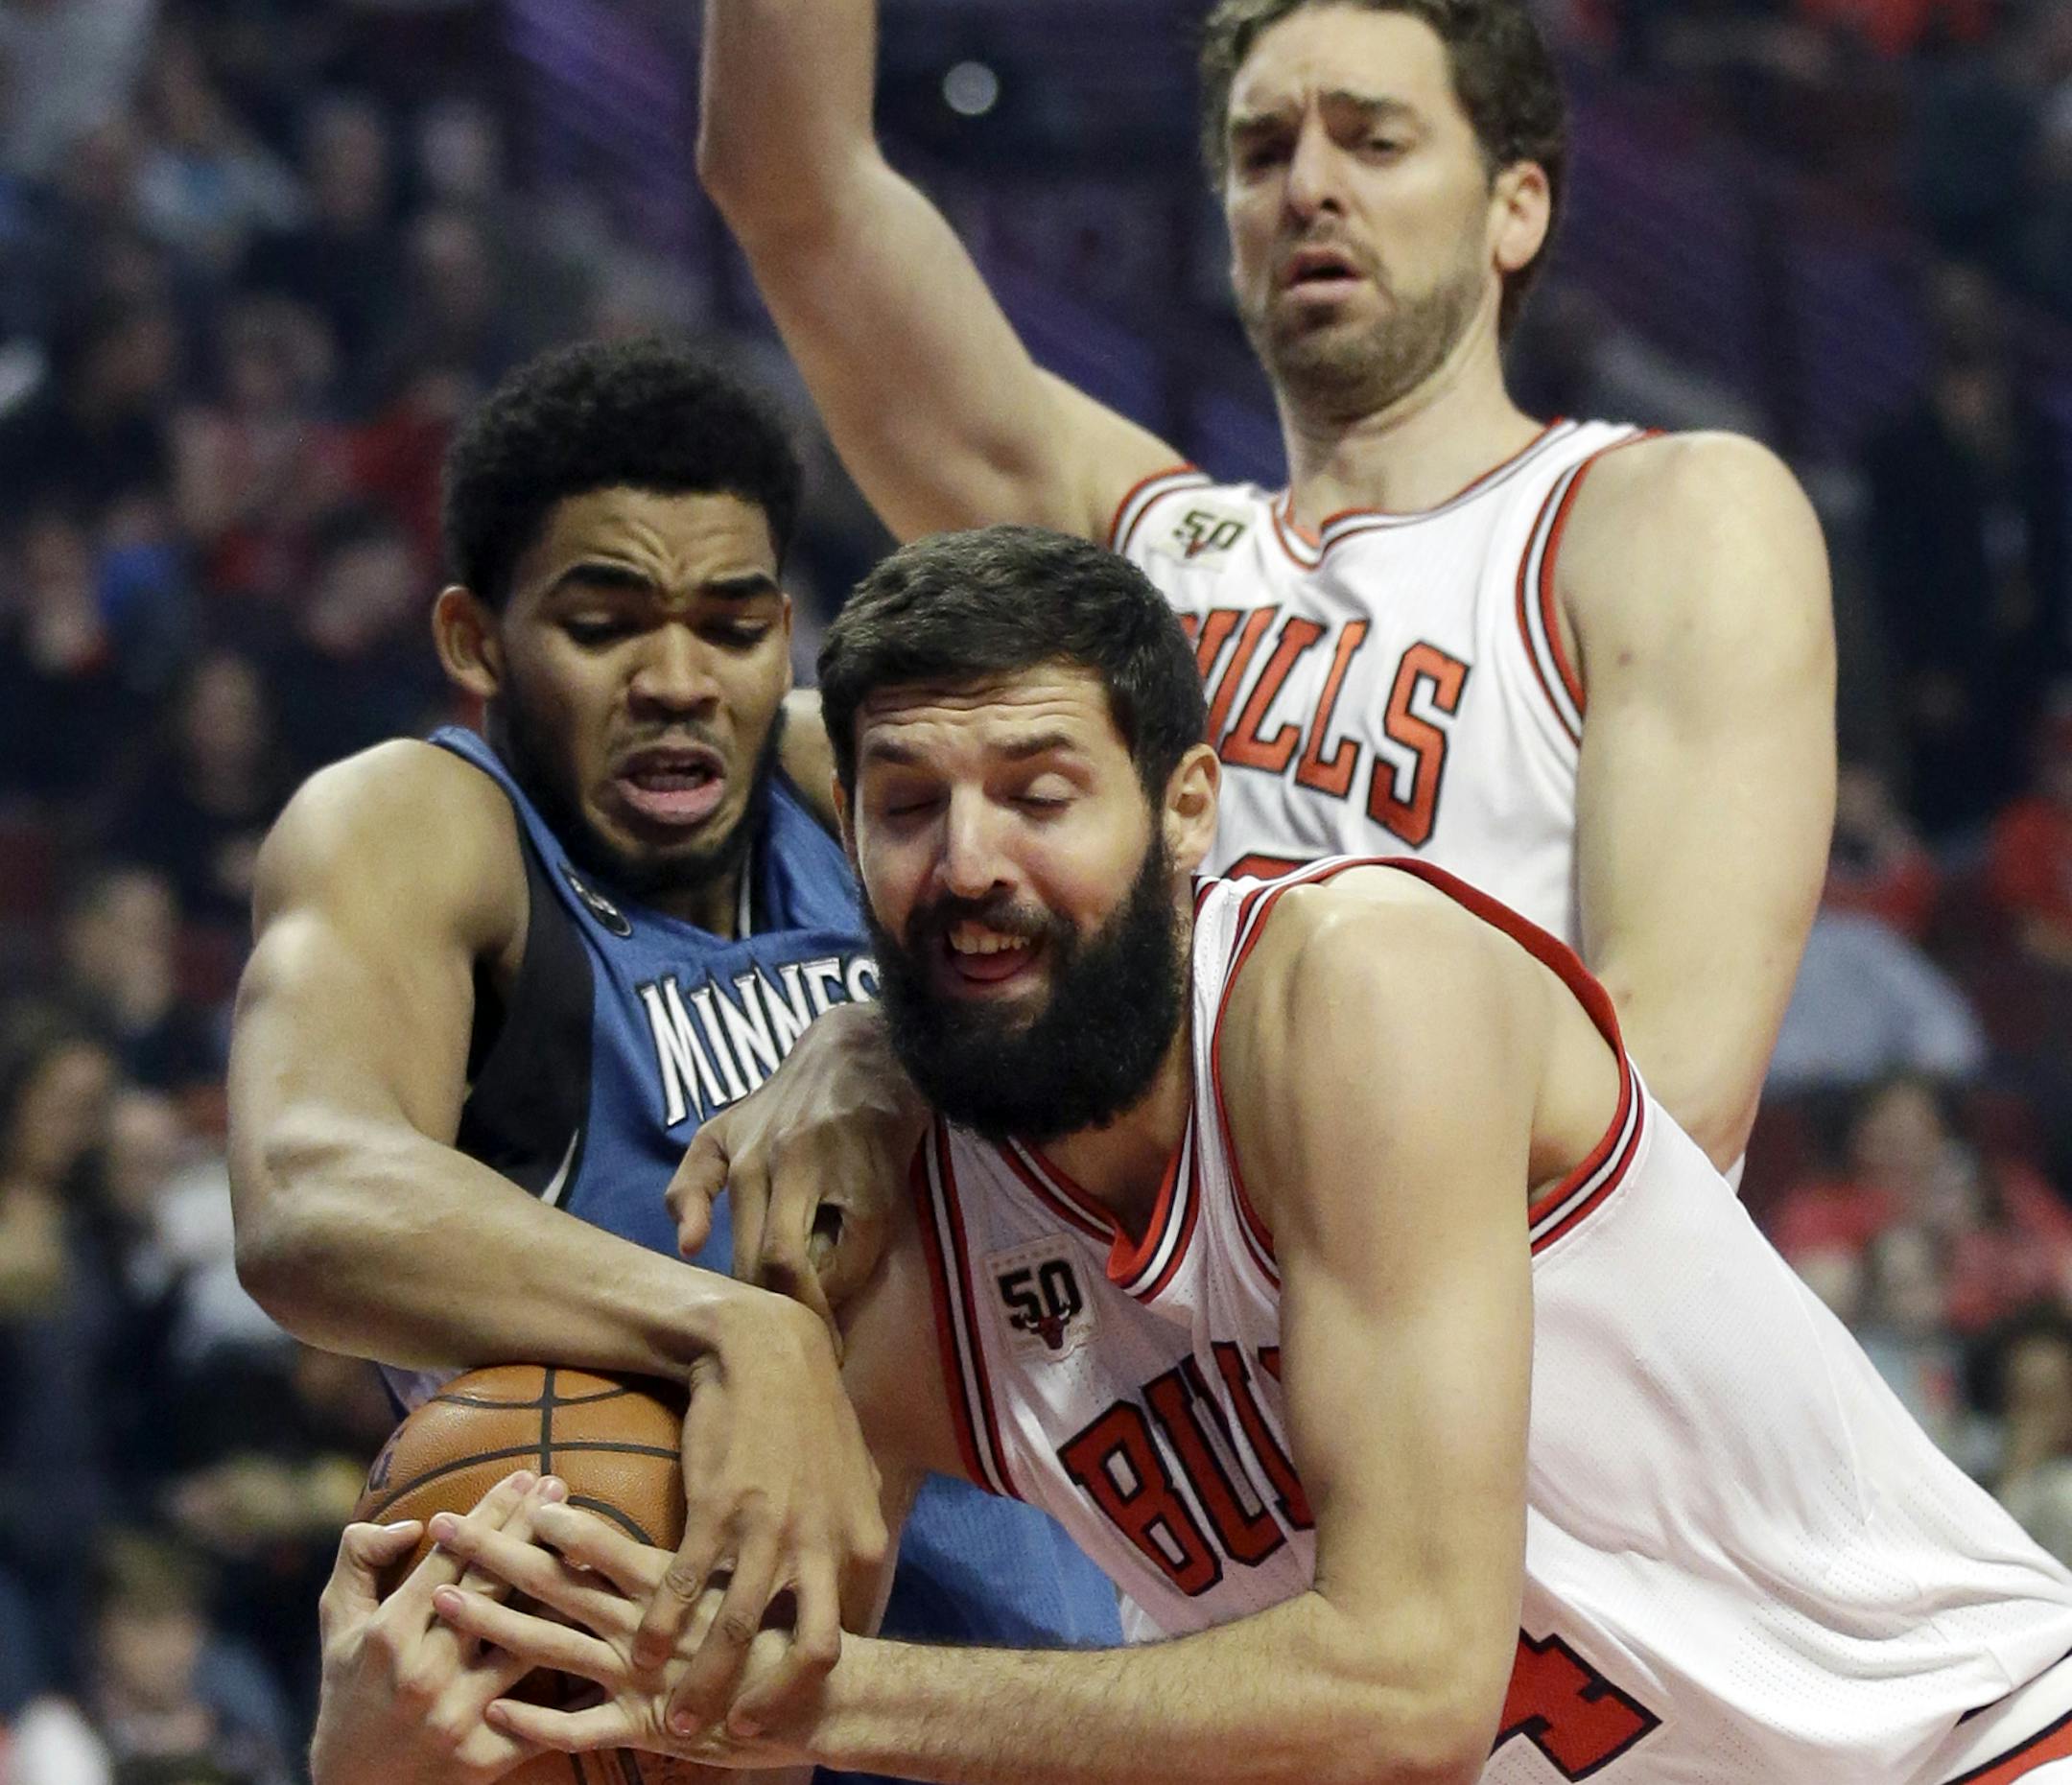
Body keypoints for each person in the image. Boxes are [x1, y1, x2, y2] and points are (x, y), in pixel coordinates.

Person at [358, 527, 2072, 1783]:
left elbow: (1409, 1687)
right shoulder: (864, 1234)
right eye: (905, 807)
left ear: (1187, 809)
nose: (969, 862)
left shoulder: (1352, 990)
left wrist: (812, 1696)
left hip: (1960, 1744)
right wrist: (435, 1711)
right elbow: (713, 1718)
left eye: (1041, 791)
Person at [673, 0, 1834, 1305]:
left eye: (1375, 141)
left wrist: (912, 1066)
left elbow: (1672, 1093)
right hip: (1228, 1407)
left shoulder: (1654, 516)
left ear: (1516, 208)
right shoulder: (1136, 556)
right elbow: (794, 189)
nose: (1311, 187)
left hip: (1555, 1411)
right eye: (1264, 149)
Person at [224, 341, 1119, 1776]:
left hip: (1039, 1682)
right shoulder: (420, 824)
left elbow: (1179, 999)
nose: (680, 680)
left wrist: (878, 1049)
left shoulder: (865, 790)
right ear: (475, 641)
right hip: (677, 1714)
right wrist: (726, 1327)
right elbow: (307, 1191)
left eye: (733, 623)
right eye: (606, 622)